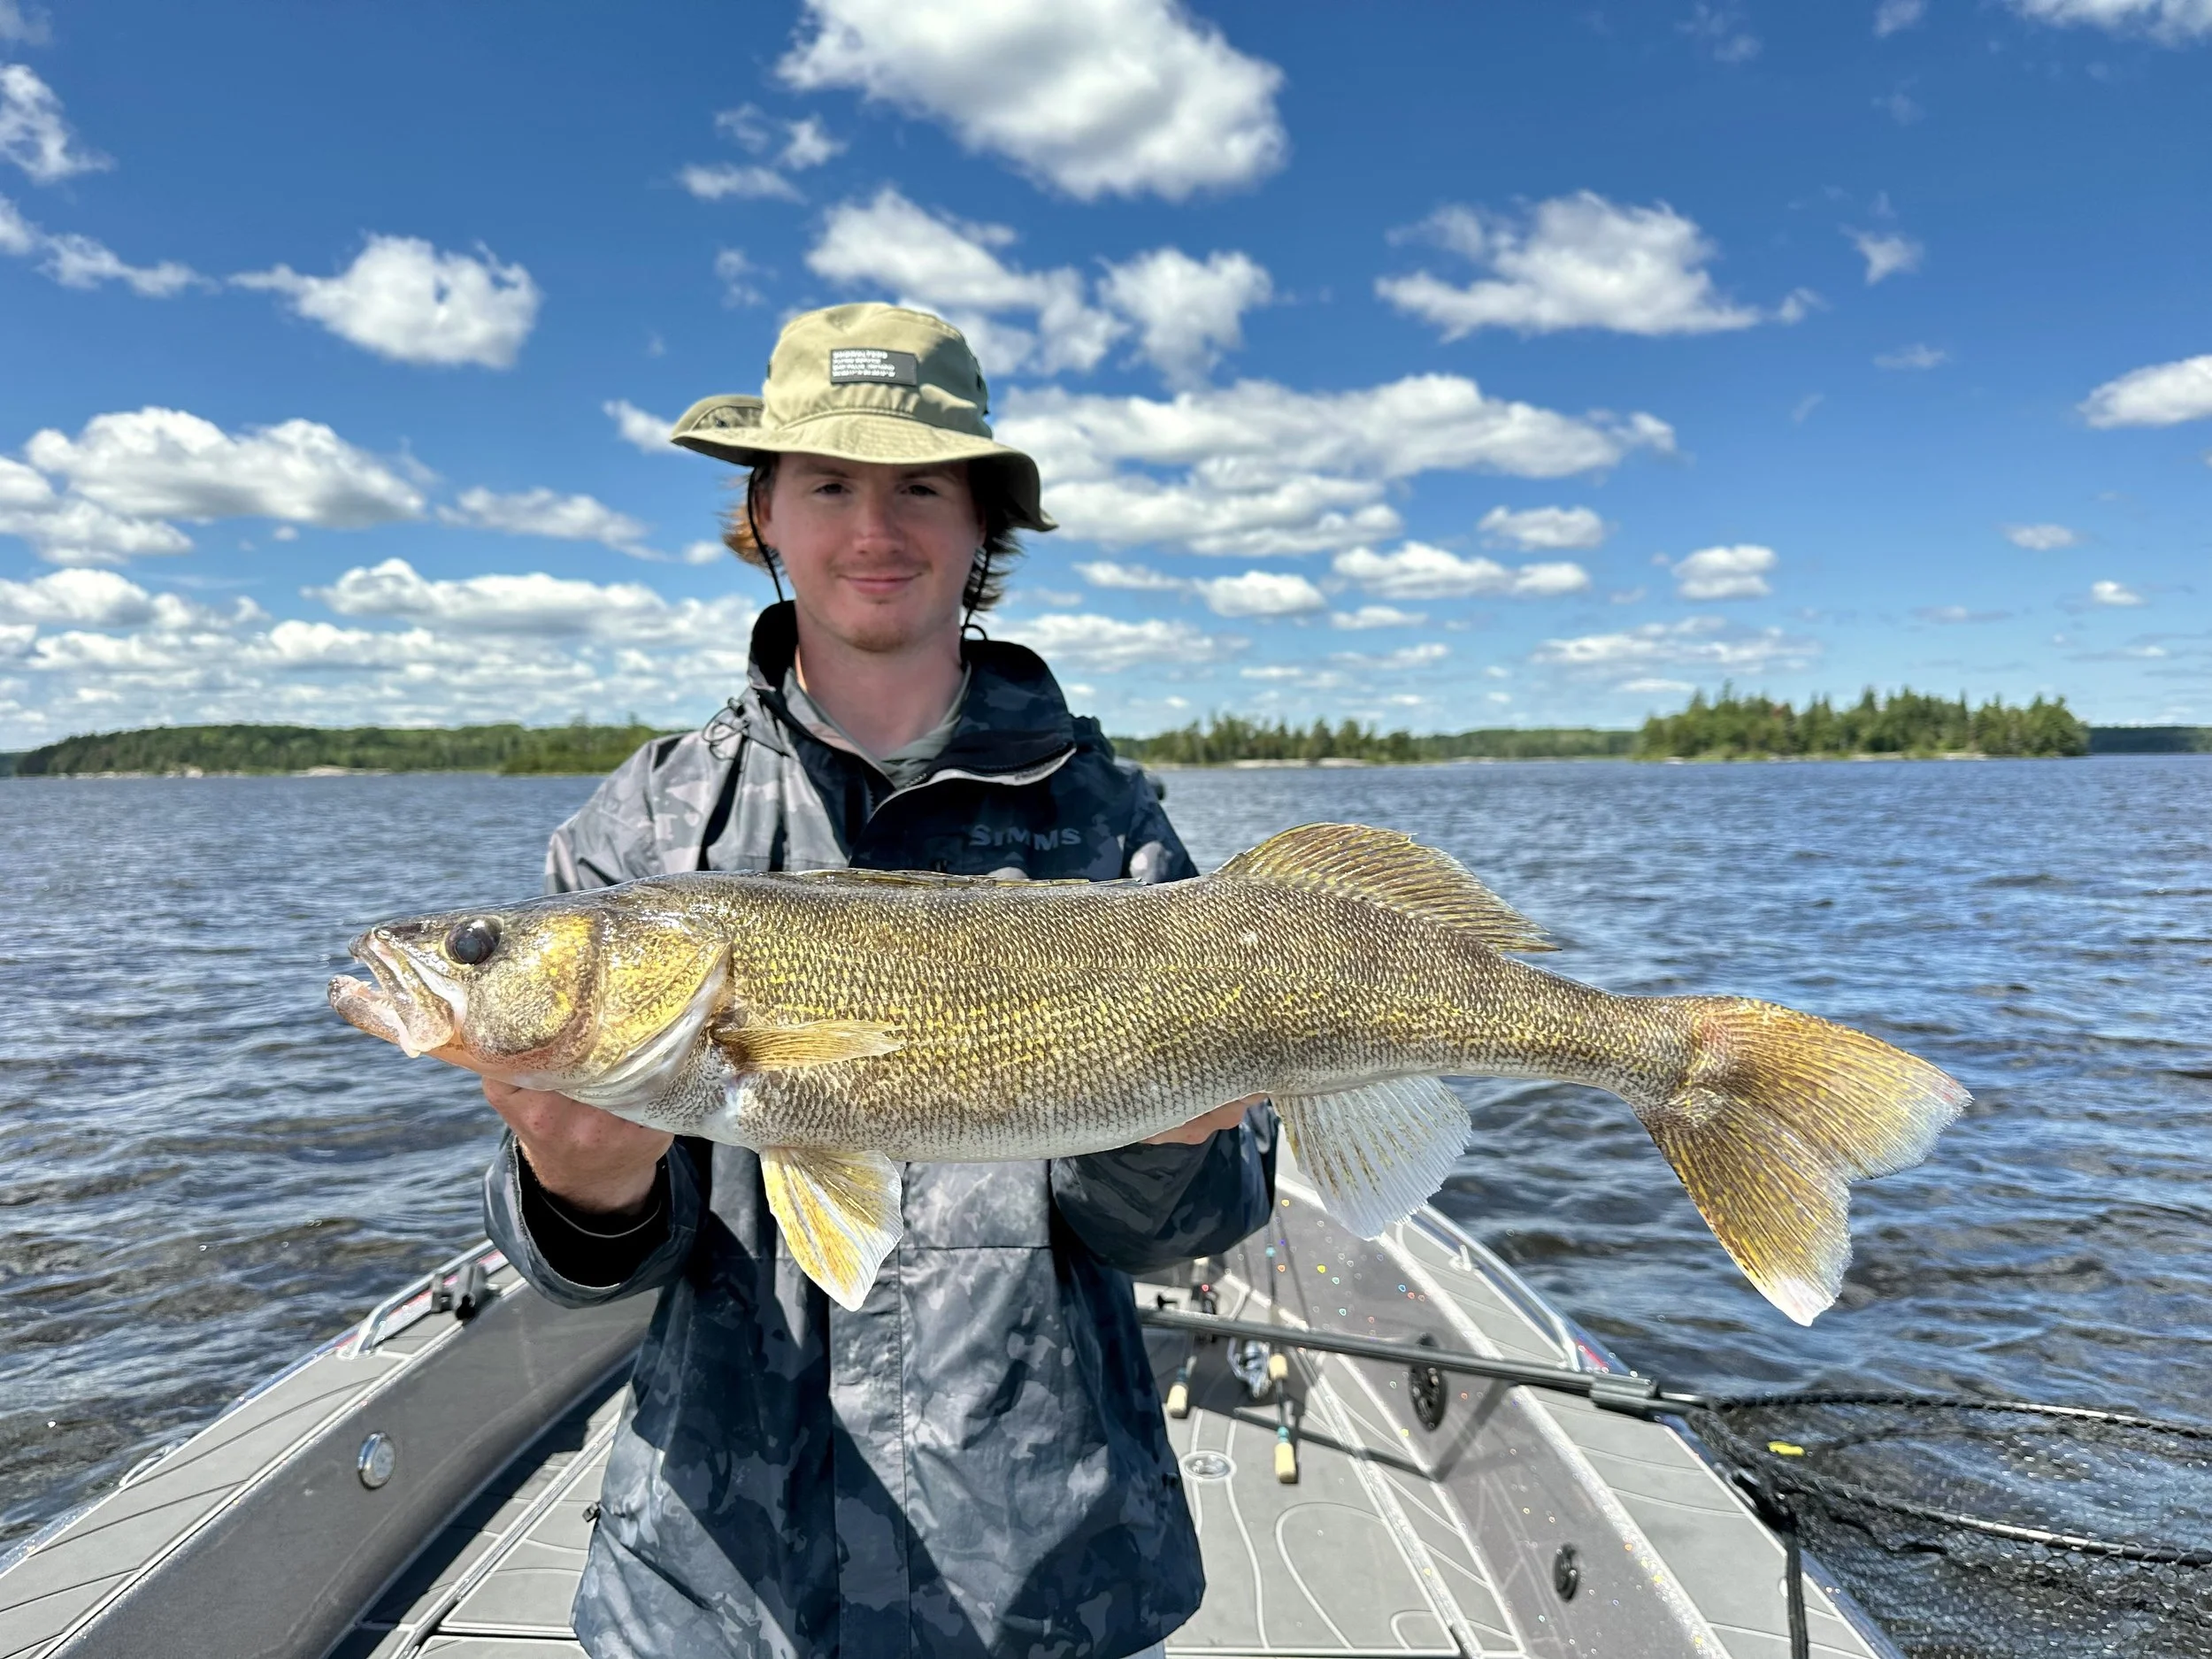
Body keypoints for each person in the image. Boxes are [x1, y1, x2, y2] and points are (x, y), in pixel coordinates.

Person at [480, 302, 1275, 1659]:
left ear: (981, 530)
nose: (874, 528)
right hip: (715, 1594)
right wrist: (584, 1184)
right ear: (765, 514)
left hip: (1045, 1582)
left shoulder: (1114, 823)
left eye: (922, 487)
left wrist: (1165, 1135)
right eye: (829, 483)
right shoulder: (646, 833)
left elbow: (1194, 1216)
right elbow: (590, 1275)